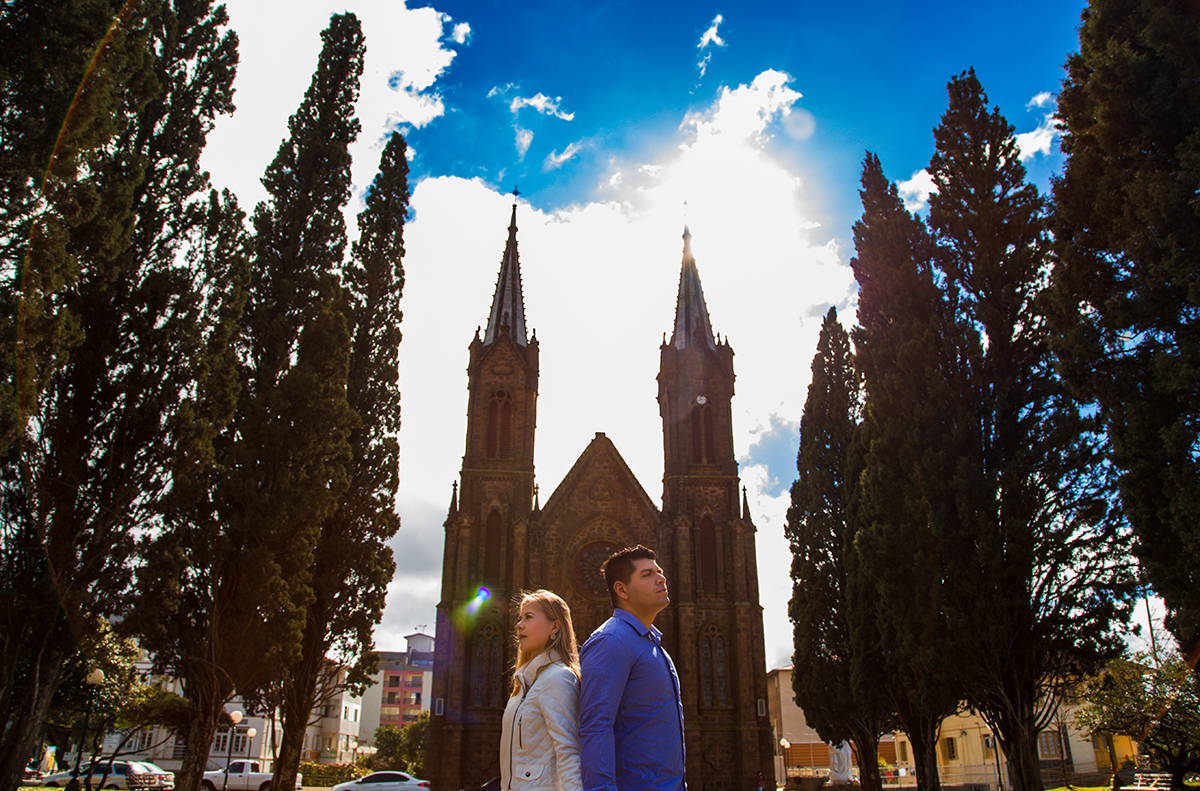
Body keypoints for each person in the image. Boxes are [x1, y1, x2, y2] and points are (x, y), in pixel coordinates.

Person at [579, 545, 685, 791]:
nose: (661, 578)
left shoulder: (653, 646)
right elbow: (595, 725)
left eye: (659, 571)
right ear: (621, 589)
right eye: (647, 574)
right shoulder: (611, 641)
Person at [500, 589, 584, 791]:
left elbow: (569, 751)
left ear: (555, 626)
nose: (518, 625)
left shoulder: (558, 678)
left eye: (528, 617)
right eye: (519, 618)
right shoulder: (524, 685)